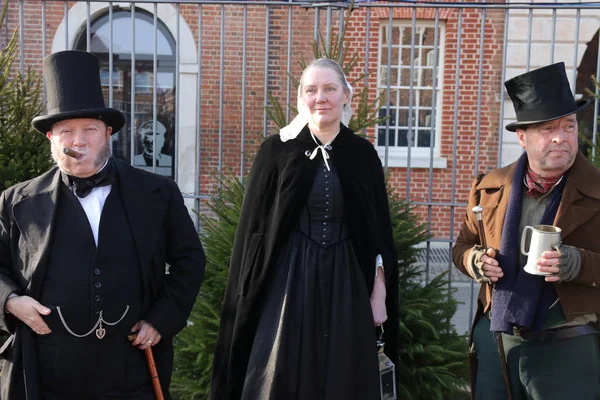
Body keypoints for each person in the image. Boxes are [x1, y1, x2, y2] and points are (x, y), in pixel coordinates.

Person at [0, 50, 205, 399]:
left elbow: (190, 261)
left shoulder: (157, 193)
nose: (78, 141)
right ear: (51, 138)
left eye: (89, 130)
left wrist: (162, 319)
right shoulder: (18, 201)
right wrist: (9, 302)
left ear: (108, 132)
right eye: (66, 131)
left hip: (129, 367)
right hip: (46, 371)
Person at [210, 58, 398, 400]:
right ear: (301, 98)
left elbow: (379, 232)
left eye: (329, 89)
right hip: (288, 283)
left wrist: (379, 294)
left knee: (343, 377)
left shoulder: (362, 154)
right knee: (281, 373)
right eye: (311, 90)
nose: (320, 98)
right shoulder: (277, 151)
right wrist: (255, 292)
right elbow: (254, 233)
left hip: (347, 282)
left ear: (345, 96)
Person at [453, 61, 600, 400]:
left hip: (569, 350)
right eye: (548, 129)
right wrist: (476, 262)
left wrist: (576, 263)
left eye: (568, 126)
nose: (561, 137)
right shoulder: (488, 187)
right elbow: (462, 246)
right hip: (497, 345)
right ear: (522, 137)